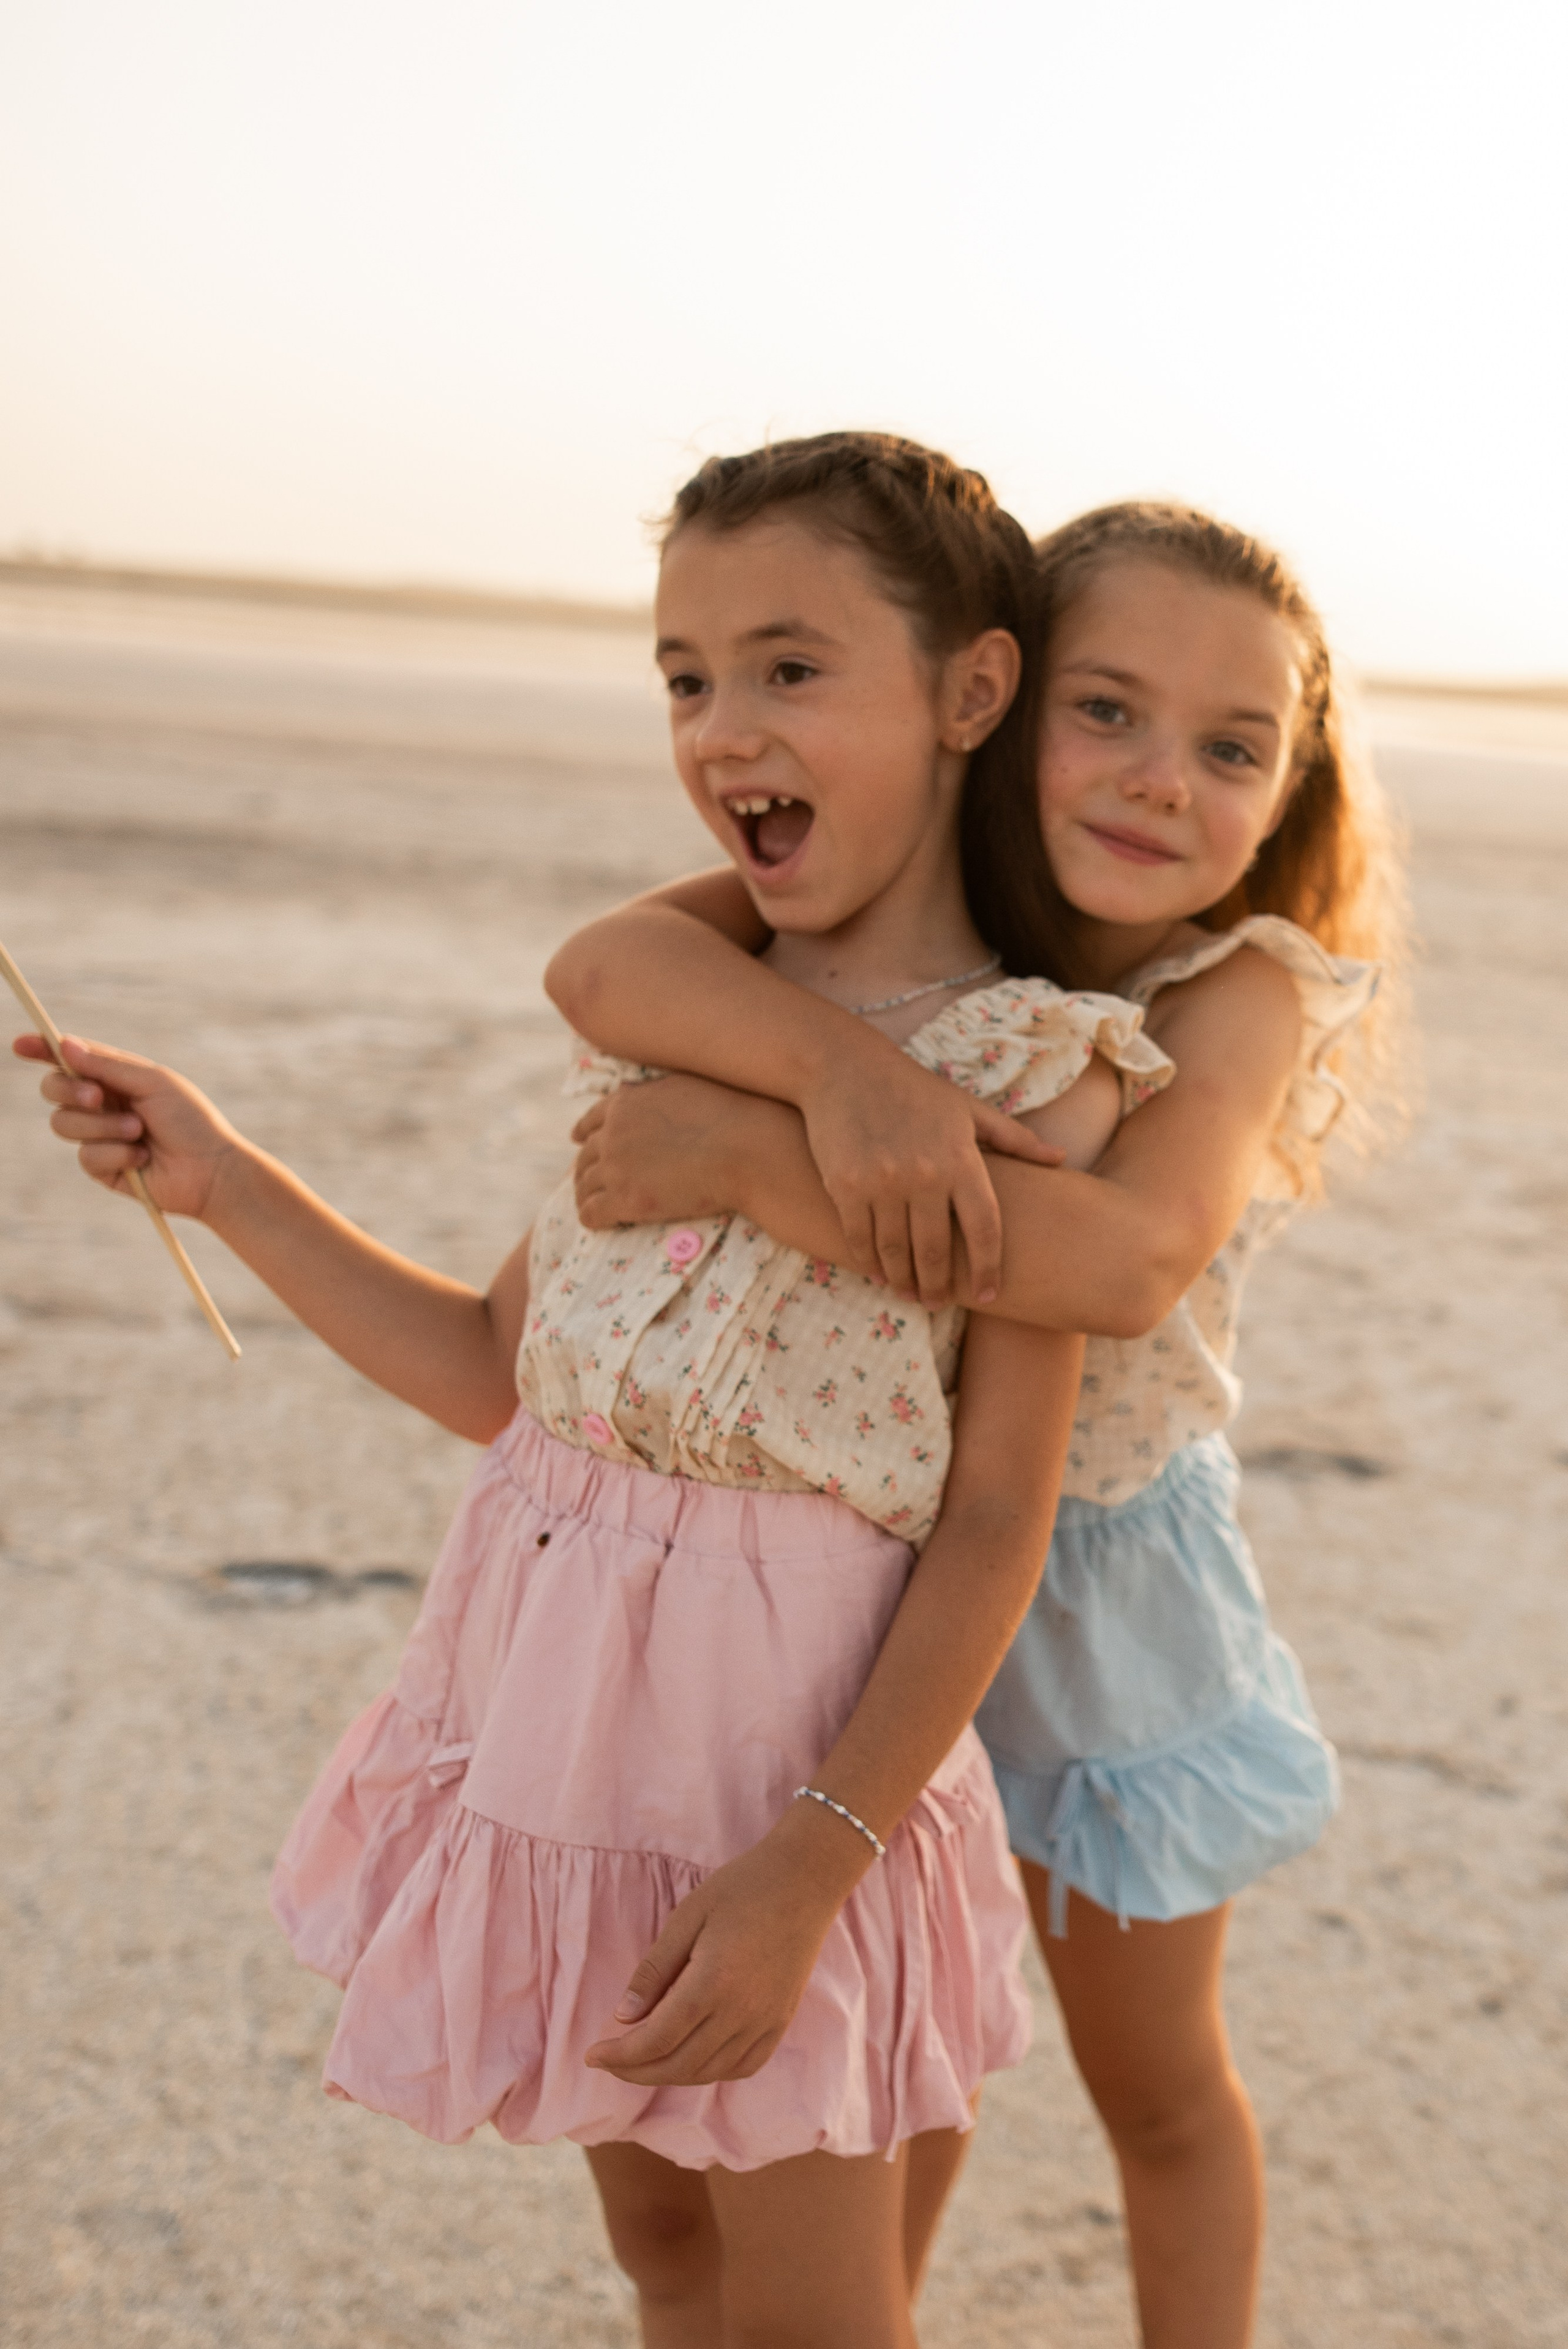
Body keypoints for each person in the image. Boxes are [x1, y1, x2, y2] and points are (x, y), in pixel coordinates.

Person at [16, 435, 1174, 2349]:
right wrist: (222, 1179)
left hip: (793, 1777)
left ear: (973, 689)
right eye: (686, 676)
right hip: (570, 1751)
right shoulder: (676, 1022)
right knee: (666, 2258)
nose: (726, 726)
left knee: (814, 2315)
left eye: (790, 665)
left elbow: (993, 1522)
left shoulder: (1032, 1075)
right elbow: (504, 1375)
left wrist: (814, 1857)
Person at [551, 498, 1408, 2349]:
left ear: (1289, 788)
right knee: (900, 2051)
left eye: (1232, 747)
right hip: (878, 1570)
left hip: (1097, 1583)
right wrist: (840, 1075)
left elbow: (1124, 1259)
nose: (1161, 777)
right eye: (1108, 711)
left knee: (1153, 2079)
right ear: (996, 706)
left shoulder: (1235, 983)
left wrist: (751, 1153)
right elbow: (607, 971)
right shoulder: (903, 923)